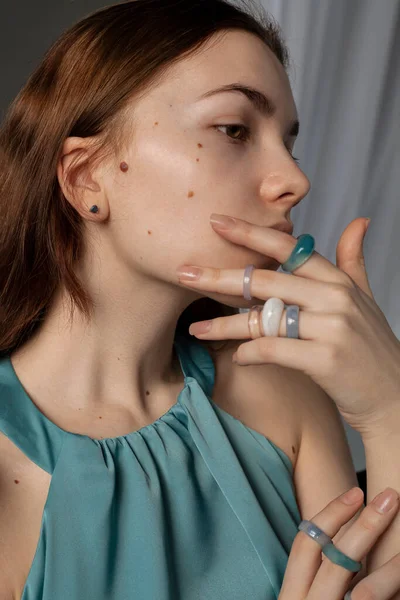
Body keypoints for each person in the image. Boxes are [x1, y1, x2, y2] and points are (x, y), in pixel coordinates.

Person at [1, 1, 400, 599]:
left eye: (289, 142)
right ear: (86, 177)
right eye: (235, 130)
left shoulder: (283, 397)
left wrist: (389, 408)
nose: (294, 178)